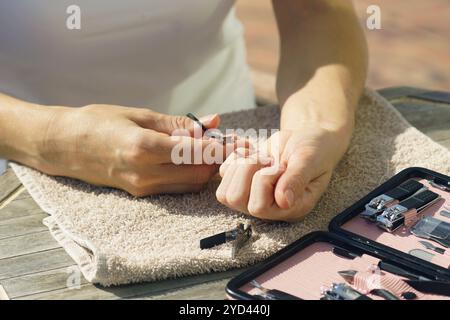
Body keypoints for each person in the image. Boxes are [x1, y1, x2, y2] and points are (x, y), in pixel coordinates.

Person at [0, 0, 367, 221]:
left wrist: (315, 126)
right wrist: (51, 138)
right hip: (20, 172)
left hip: (236, 137)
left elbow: (316, 12)